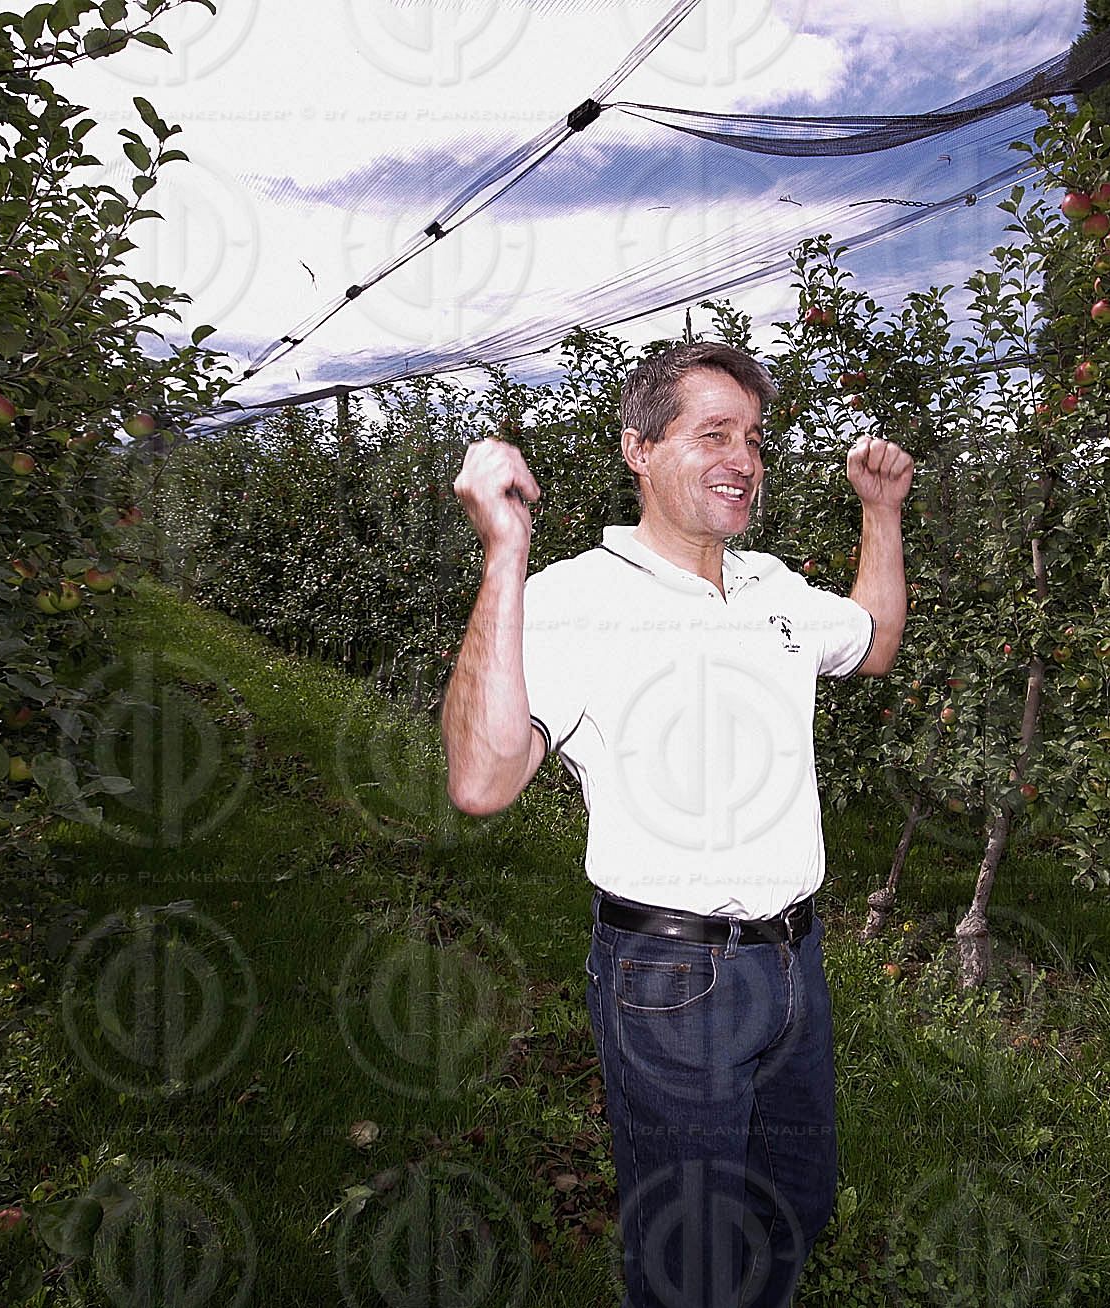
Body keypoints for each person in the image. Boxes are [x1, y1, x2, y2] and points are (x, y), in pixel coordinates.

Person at [442, 340, 912, 1307]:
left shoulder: (775, 588)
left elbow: (873, 644)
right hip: (671, 978)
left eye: (755, 439)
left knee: (795, 1206)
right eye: (714, 433)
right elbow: (482, 779)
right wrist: (504, 555)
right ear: (639, 449)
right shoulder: (575, 598)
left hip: (795, 963)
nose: (744, 459)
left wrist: (881, 512)